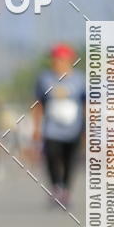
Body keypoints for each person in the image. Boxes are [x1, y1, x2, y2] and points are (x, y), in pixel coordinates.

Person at [33, 44, 86, 208]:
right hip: (52, 129)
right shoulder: (45, 78)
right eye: (55, 60)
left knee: (70, 160)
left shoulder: (80, 79)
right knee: (52, 157)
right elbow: (38, 104)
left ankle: (66, 190)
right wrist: (36, 127)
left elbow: (87, 104)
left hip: (74, 128)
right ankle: (56, 187)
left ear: (70, 61)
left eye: (62, 60)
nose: (58, 63)